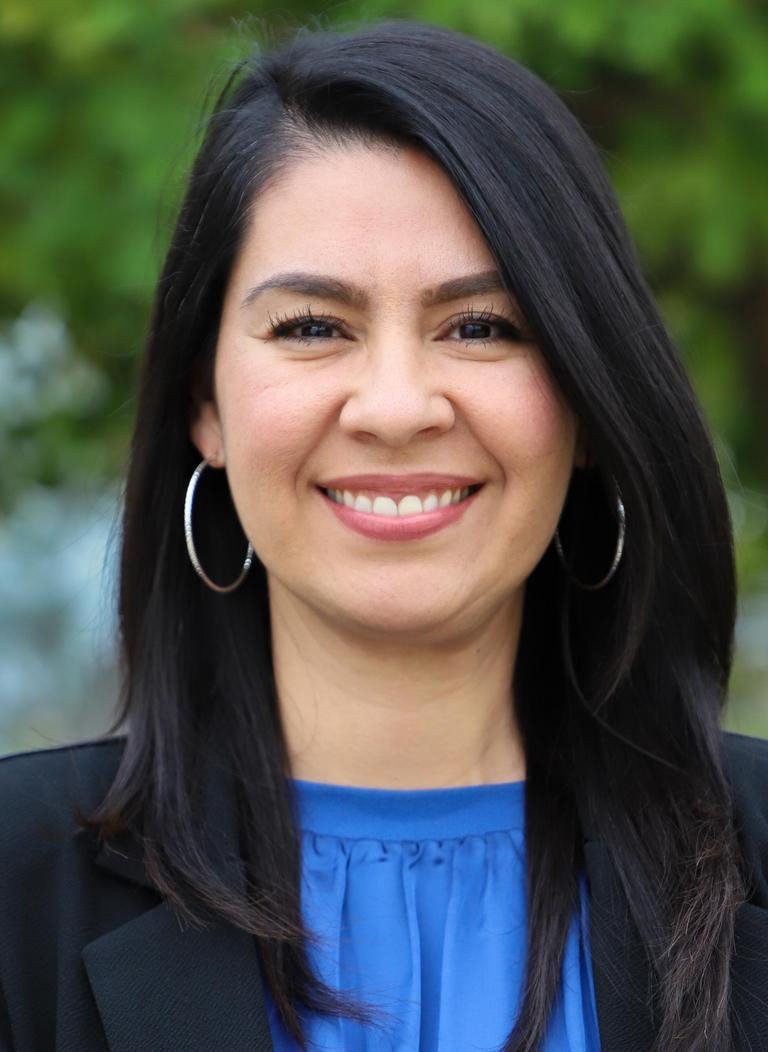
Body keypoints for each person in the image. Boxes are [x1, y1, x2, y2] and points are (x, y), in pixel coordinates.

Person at [1, 17, 766, 1052]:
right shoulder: (16, 880)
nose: (398, 406)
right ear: (206, 405)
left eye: (482, 326)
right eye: (313, 326)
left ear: (587, 401)